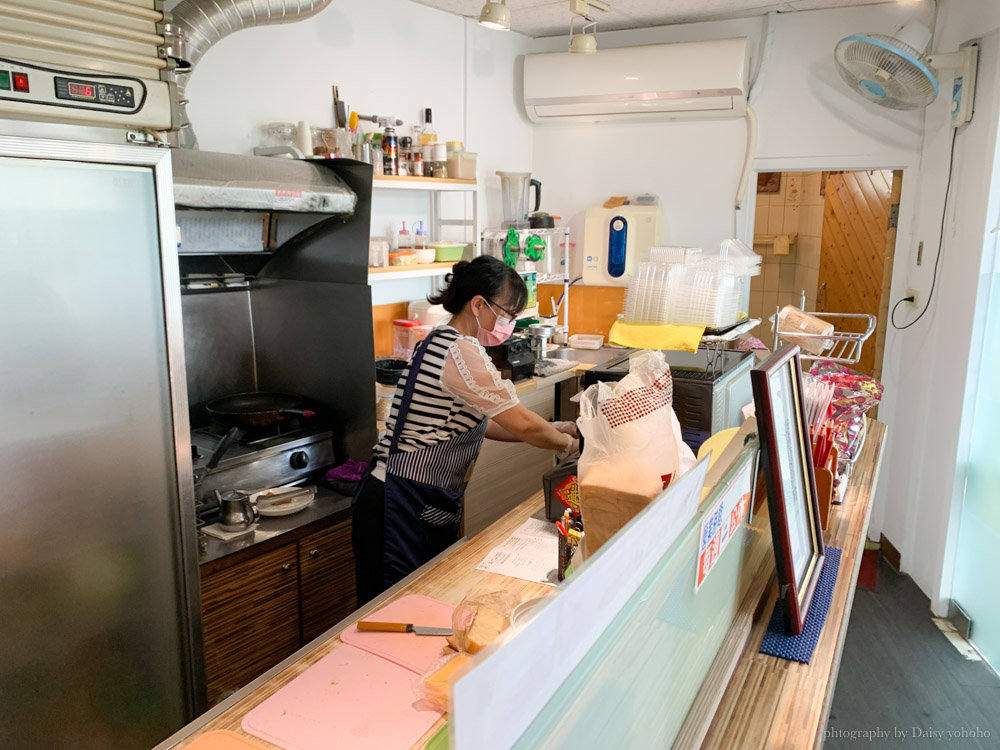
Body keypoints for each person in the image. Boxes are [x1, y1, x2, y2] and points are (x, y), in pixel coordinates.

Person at [352, 256, 579, 605]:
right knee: (395, 611)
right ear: (478, 305)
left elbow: (483, 424)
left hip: (418, 498)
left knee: (425, 600)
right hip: (399, 502)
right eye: (506, 314)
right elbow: (519, 422)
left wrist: (553, 428)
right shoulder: (459, 350)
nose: (508, 323)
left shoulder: (441, 340)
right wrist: (566, 444)